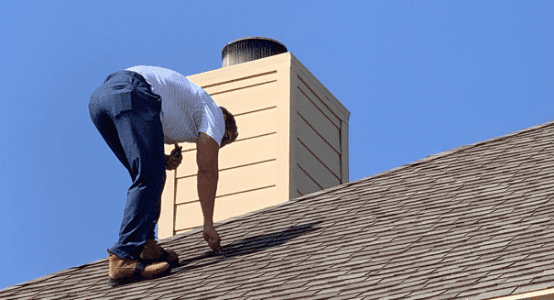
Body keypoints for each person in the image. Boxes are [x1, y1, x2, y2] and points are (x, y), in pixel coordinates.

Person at [88, 65, 238, 286]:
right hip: (133, 91)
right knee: (150, 175)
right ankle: (123, 256)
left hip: (102, 98)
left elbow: (145, 144)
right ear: (224, 121)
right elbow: (207, 169)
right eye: (225, 138)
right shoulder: (214, 112)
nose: (220, 144)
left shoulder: (186, 114)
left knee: (150, 172)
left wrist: (163, 160)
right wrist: (208, 223)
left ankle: (146, 245)